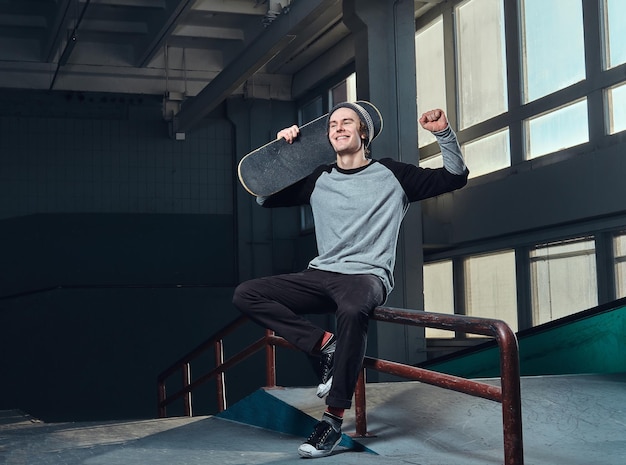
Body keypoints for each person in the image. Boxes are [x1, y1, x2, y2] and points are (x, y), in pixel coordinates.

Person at [232, 101, 468, 458]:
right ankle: (327, 345)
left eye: (347, 122)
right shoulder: (319, 179)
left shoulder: (393, 175)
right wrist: (283, 154)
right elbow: (264, 196)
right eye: (332, 125)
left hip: (366, 276)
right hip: (321, 274)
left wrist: (443, 135)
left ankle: (331, 420)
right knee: (247, 294)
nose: (338, 128)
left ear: (363, 133)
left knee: (354, 309)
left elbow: (455, 177)